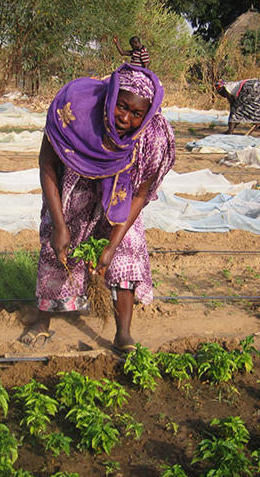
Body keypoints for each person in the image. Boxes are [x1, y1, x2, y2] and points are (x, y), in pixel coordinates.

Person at [18, 63, 175, 354]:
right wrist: (60, 225)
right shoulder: (75, 113)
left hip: (120, 202)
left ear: (148, 115)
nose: (125, 118)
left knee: (128, 250)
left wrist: (112, 245)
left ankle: (123, 334)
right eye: (121, 106)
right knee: (57, 252)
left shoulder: (154, 140)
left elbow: (140, 194)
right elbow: (47, 164)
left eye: (137, 113)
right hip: (74, 192)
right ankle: (43, 321)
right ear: (111, 96)